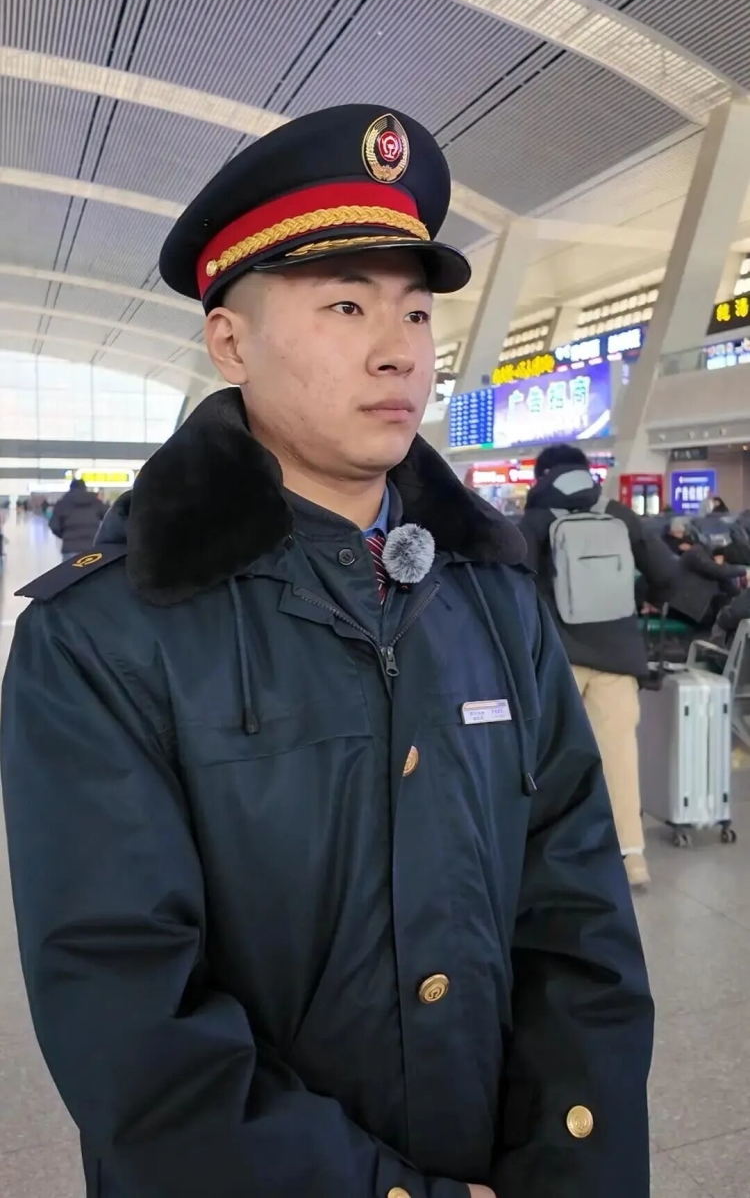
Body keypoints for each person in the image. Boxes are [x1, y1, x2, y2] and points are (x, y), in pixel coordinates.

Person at [1, 106, 653, 1198]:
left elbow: (578, 915)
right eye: (346, 304)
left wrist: (571, 1165)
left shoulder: (492, 596)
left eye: (415, 310)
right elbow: (130, 1022)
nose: (399, 348)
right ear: (230, 341)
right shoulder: (101, 639)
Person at [519, 444, 674, 890]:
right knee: (619, 756)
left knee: (548, 757)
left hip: (555, 660)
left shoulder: (534, 521)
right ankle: (631, 857)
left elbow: (514, 585)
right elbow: (667, 575)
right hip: (618, 657)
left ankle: (551, 858)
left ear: (543, 476)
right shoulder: (620, 515)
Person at [49, 478, 107, 558]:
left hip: (70, 547)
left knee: (70, 566)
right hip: (91, 547)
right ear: (85, 488)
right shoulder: (95, 502)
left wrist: (65, 535)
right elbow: (108, 517)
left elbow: (54, 525)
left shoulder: (62, 503)